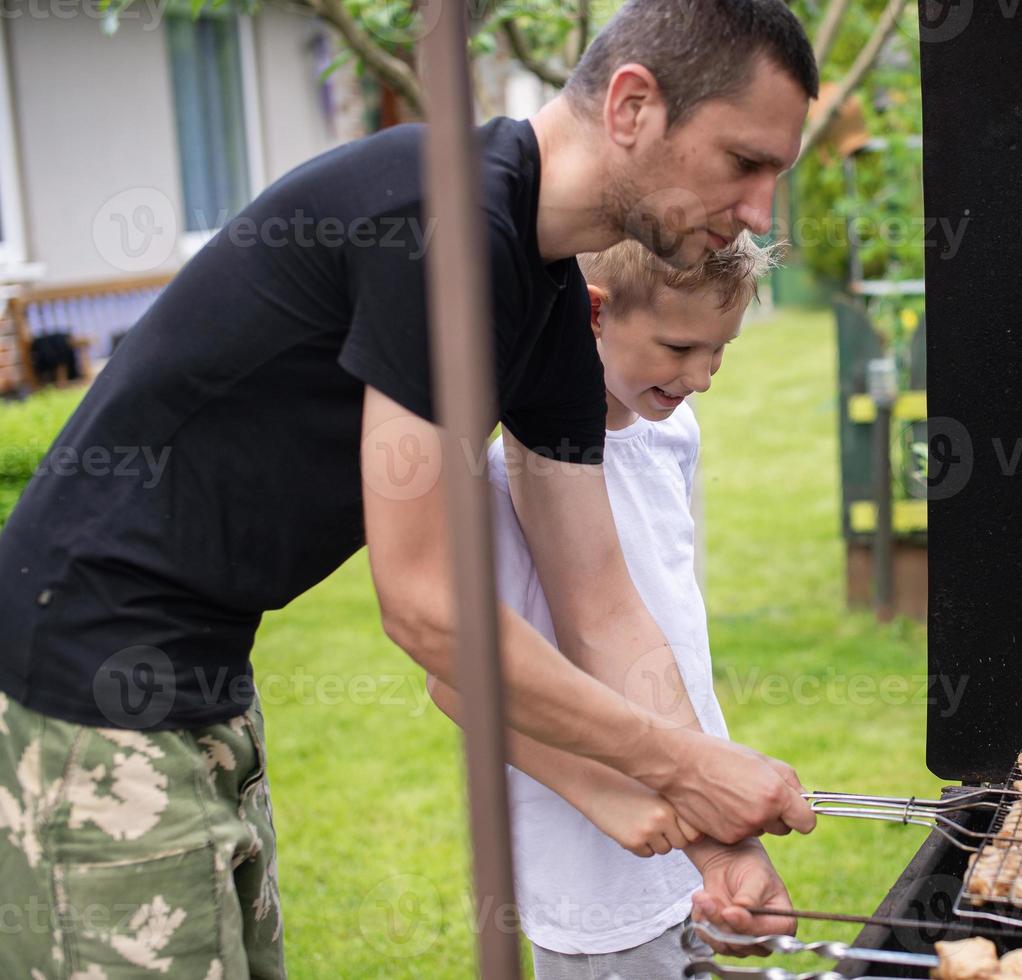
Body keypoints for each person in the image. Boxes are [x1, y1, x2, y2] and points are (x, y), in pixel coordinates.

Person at [0, 1, 819, 975]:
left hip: (208, 675)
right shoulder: (444, 228)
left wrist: (718, 842)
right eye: (745, 163)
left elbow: (602, 603)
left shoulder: (546, 295)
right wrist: (686, 766)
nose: (761, 212)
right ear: (634, 107)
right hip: (87, 677)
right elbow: (431, 609)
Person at [429, 232, 793, 977]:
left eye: (719, 350)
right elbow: (455, 682)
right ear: (592, 314)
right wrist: (601, 794)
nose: (703, 377)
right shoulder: (504, 477)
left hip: (689, 819)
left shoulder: (672, 432)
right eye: (680, 347)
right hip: (592, 869)